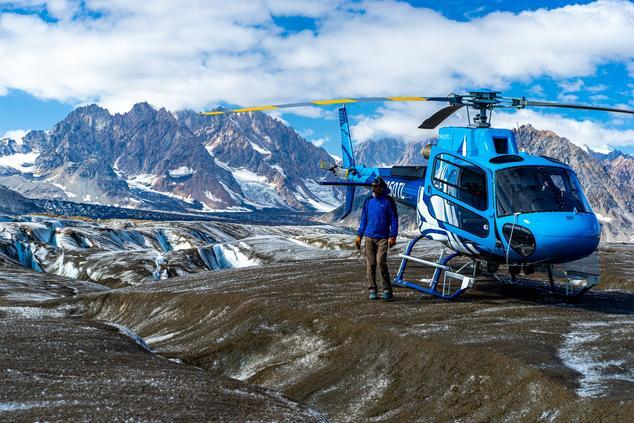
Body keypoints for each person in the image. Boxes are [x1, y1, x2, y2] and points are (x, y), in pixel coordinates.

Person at [355, 177, 399, 300]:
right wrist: (359, 235)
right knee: (371, 264)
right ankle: (372, 289)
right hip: (369, 237)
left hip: (383, 238)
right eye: (372, 186)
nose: (373, 188)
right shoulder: (368, 201)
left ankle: (387, 289)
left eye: (376, 186)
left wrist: (393, 236)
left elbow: (394, 219)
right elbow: (364, 219)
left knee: (380, 262)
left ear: (381, 187)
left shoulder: (388, 201)